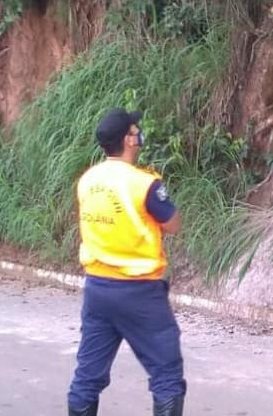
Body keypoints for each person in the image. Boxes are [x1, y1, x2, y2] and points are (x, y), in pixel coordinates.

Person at [67, 108, 186, 416]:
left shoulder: (86, 180)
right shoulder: (144, 184)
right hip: (140, 292)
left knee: (87, 376)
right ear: (129, 140)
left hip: (97, 289)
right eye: (136, 130)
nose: (139, 135)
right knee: (167, 374)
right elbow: (172, 224)